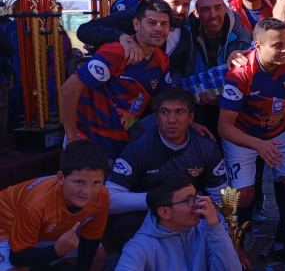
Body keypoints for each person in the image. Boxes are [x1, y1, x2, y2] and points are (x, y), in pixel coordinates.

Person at [217, 17, 285, 255]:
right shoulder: (240, 73)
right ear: (257, 45)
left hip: (278, 131)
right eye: (277, 45)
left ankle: (282, 240)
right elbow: (224, 127)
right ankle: (238, 244)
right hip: (241, 135)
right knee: (243, 195)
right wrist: (258, 145)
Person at [105, 88, 227, 248]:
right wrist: (161, 200)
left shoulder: (207, 148)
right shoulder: (138, 148)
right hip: (152, 212)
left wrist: (228, 242)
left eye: (180, 112)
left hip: (191, 211)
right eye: (165, 112)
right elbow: (109, 199)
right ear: (157, 118)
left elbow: (220, 198)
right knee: (126, 223)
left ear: (191, 117)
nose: (172, 119)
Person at [60, 0, 171, 160]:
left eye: (164, 24)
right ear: (136, 24)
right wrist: (71, 138)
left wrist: (187, 119)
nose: (159, 29)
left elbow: (157, 102)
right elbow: (68, 89)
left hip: (122, 148)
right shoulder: (116, 51)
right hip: (87, 144)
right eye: (152, 23)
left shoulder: (162, 59)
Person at [0, 140, 110, 271]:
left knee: (98, 256)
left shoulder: (102, 196)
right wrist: (56, 251)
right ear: (61, 178)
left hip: (47, 230)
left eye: (96, 182)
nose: (87, 191)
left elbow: (91, 239)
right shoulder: (35, 204)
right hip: (8, 226)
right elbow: (17, 257)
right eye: (79, 182)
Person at [116, 172, 241, 271]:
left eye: (196, 196)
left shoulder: (206, 231)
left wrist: (216, 227)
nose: (198, 203)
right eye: (189, 200)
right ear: (164, 212)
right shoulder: (139, 247)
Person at [76, 0, 195, 77]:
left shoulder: (185, 35)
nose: (180, 10)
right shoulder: (135, 17)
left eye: (186, 5)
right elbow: (85, 29)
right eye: (175, 3)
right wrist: (122, 37)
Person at [186, 0, 254, 136]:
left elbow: (254, 78)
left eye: (218, 8)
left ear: (225, 9)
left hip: (234, 111)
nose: (213, 15)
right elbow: (178, 71)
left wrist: (223, 96)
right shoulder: (185, 35)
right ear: (196, 13)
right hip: (194, 108)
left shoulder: (243, 36)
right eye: (205, 9)